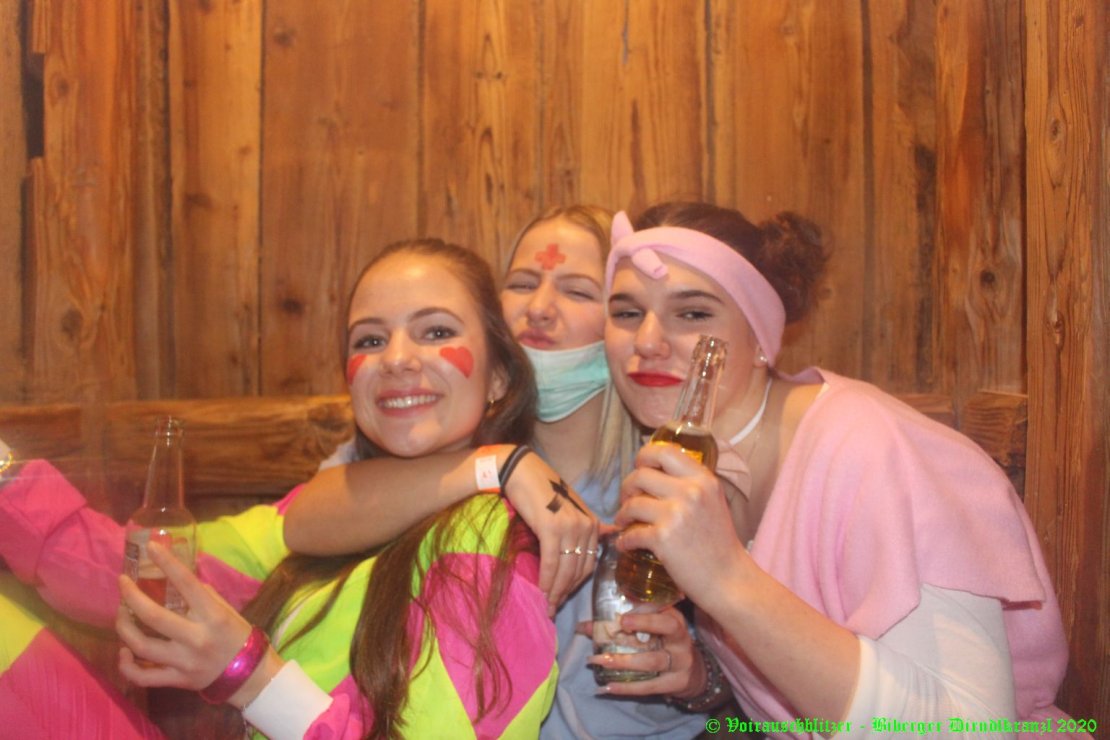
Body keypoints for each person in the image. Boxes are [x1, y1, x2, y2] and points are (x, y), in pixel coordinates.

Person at [0, 238, 559, 738]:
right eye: (370, 339)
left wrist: (247, 674)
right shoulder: (329, 516)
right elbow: (124, 569)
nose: (395, 359)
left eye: (436, 332)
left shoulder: (487, 547)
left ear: (499, 377)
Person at [596, 201, 1078, 736]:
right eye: (627, 313)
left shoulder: (871, 447)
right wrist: (702, 679)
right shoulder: (694, 461)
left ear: (761, 338)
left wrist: (726, 578)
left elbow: (972, 728)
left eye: (693, 313)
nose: (647, 342)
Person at [285, 206, 717, 739]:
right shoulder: (441, 438)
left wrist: (699, 680)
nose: (539, 309)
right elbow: (303, 519)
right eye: (522, 284)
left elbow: (763, 699)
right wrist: (499, 465)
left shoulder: (668, 471)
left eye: (577, 291)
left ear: (620, 321)